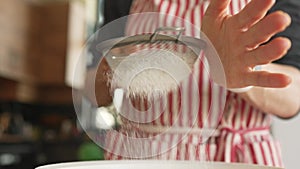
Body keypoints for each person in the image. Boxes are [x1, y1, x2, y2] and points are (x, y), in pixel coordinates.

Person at [87, 0, 300, 167]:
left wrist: (243, 74)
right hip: (142, 157)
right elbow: (90, 89)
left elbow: (294, 96)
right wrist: (114, 66)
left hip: (238, 158)